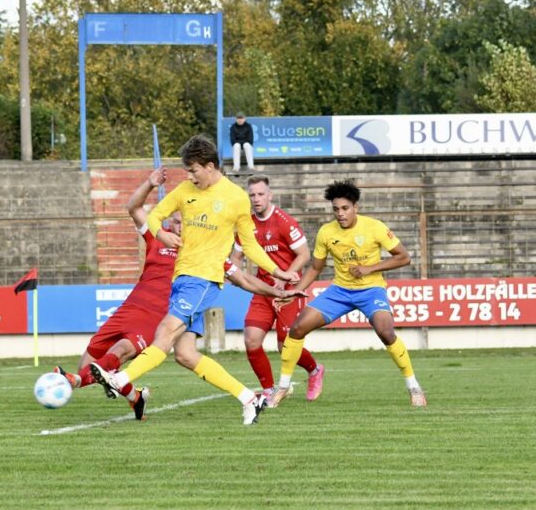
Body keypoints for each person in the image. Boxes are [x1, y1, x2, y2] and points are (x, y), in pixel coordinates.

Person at [90, 135, 301, 426]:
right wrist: (162, 233)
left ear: (210, 166)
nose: (189, 176)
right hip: (182, 280)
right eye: (188, 171)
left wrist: (278, 272)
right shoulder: (186, 190)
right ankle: (249, 399)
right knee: (186, 354)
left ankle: (121, 379)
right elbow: (156, 215)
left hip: (204, 280)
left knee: (164, 333)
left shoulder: (236, 198)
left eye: (193, 170)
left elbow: (250, 246)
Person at [267, 179, 427, 408]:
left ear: (355, 208)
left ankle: (414, 387)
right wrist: (295, 291)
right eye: (335, 209)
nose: (340, 214)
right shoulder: (326, 232)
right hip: (339, 291)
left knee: (386, 331)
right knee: (297, 328)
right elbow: (315, 267)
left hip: (371, 290)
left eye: (344, 208)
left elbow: (404, 257)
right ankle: (282, 387)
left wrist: (369, 268)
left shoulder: (375, 227)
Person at [54, 168, 175, 419]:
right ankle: (134, 396)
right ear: (171, 220)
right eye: (177, 220)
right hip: (129, 308)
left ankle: (74, 381)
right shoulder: (157, 238)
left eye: (187, 222)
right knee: (87, 363)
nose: (181, 226)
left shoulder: (196, 252)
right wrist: (150, 183)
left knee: (118, 352)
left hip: (154, 316)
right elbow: (133, 207)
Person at [231, 175, 324, 405]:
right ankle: (269, 388)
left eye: (261, 194)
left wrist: (284, 280)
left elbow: (304, 255)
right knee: (252, 340)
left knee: (285, 347)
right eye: (252, 195)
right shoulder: (246, 224)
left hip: (289, 290)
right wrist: (238, 274)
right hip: (264, 291)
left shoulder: (284, 221)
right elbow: (236, 256)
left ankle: (315, 370)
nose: (256, 199)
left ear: (270, 195)